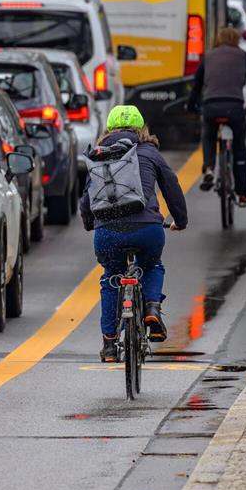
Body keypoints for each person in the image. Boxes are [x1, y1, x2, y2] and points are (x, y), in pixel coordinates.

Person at [79, 105, 188, 362]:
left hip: (108, 233)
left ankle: (108, 345)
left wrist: (89, 224)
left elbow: (87, 200)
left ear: (110, 128)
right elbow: (172, 188)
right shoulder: (150, 152)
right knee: (152, 266)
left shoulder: (99, 155)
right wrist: (180, 221)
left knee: (110, 278)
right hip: (148, 229)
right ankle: (152, 307)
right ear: (141, 128)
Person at [187, 26, 246, 207]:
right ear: (237, 40)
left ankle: (208, 168)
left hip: (211, 106)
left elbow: (196, 85)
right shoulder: (243, 56)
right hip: (235, 107)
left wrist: (192, 106)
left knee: (208, 137)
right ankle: (243, 193)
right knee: (239, 148)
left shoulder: (208, 56)